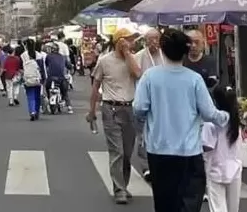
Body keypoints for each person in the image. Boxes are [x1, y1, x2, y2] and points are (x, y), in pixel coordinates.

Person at [132, 28, 229, 212]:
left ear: (162, 48)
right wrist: (227, 116)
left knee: (164, 202)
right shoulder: (194, 80)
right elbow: (209, 113)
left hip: (158, 150)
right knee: (189, 202)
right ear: (185, 51)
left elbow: (139, 108)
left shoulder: (149, 77)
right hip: (189, 152)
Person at [86, 28, 140, 204]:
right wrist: (92, 110)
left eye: (132, 40)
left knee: (127, 152)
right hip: (111, 109)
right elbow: (95, 86)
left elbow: (137, 73)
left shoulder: (132, 58)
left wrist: (128, 54)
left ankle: (123, 184)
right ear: (119, 41)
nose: (132, 43)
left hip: (130, 109)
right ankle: (119, 189)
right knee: (117, 151)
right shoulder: (104, 61)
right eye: (128, 40)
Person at [203, 85, 243, 212]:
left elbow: (207, 147)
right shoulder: (236, 120)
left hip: (216, 170)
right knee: (233, 209)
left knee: (218, 208)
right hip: (235, 169)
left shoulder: (211, 124)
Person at [132, 28, 164, 182]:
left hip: (163, 103)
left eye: (156, 39)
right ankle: (146, 167)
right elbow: (136, 75)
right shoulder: (139, 57)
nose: (153, 43)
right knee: (143, 135)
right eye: (150, 39)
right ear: (145, 41)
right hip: (145, 102)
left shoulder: (166, 56)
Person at [44, 43, 72, 113]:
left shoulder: (48, 56)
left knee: (47, 88)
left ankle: (47, 99)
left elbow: (46, 64)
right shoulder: (63, 57)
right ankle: (69, 106)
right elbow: (69, 66)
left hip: (50, 78)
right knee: (65, 92)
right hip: (61, 78)